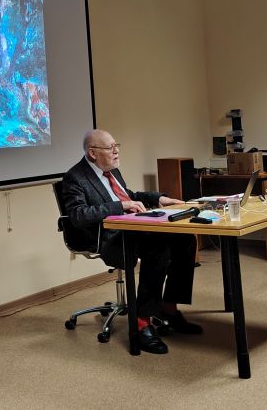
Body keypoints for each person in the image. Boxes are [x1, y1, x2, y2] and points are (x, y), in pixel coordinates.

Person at [62, 129, 202, 354]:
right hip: (108, 238)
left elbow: (129, 196)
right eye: (110, 148)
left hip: (133, 228)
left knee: (184, 240)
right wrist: (120, 206)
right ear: (93, 153)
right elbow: (78, 215)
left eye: (116, 146)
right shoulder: (75, 177)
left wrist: (159, 198)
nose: (116, 151)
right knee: (157, 248)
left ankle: (168, 309)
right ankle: (141, 323)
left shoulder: (112, 171)